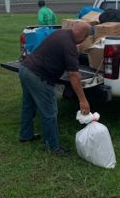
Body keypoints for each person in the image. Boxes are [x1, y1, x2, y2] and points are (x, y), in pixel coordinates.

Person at [18, 21, 91, 155]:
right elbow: (74, 74)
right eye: (86, 37)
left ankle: (25, 135)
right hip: (38, 75)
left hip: (25, 68)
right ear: (82, 35)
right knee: (50, 112)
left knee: (28, 105)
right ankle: (53, 147)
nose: (85, 39)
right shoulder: (70, 45)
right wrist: (82, 100)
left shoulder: (60, 33)